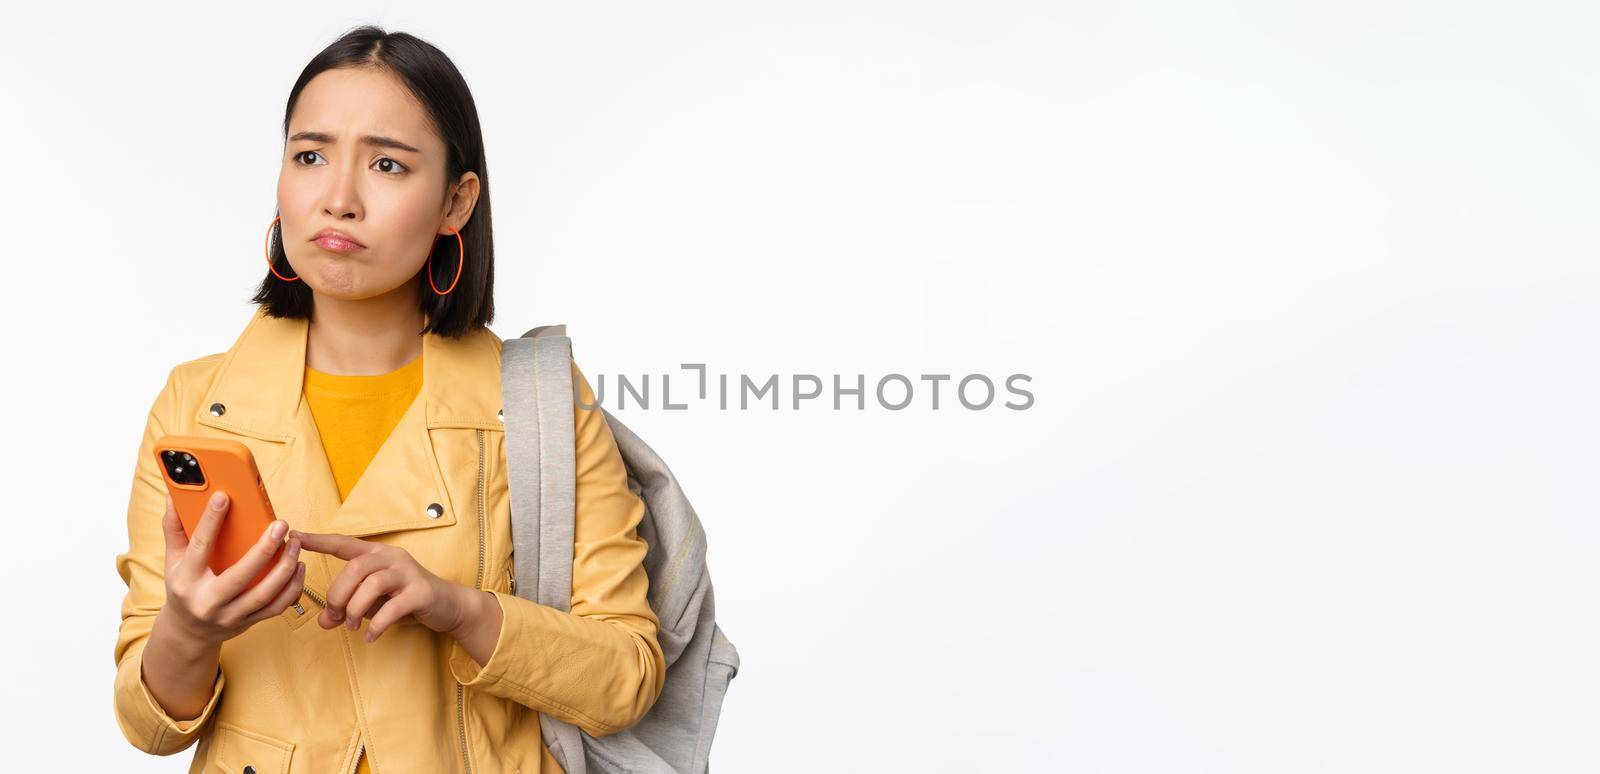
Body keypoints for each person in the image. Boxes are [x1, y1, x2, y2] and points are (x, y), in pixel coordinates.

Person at [112, 26, 665, 773]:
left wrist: (460, 608)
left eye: (386, 164)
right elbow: (151, 728)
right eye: (310, 156)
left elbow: (627, 678)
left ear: (456, 201)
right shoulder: (196, 401)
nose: (338, 199)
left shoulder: (537, 400)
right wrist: (189, 625)